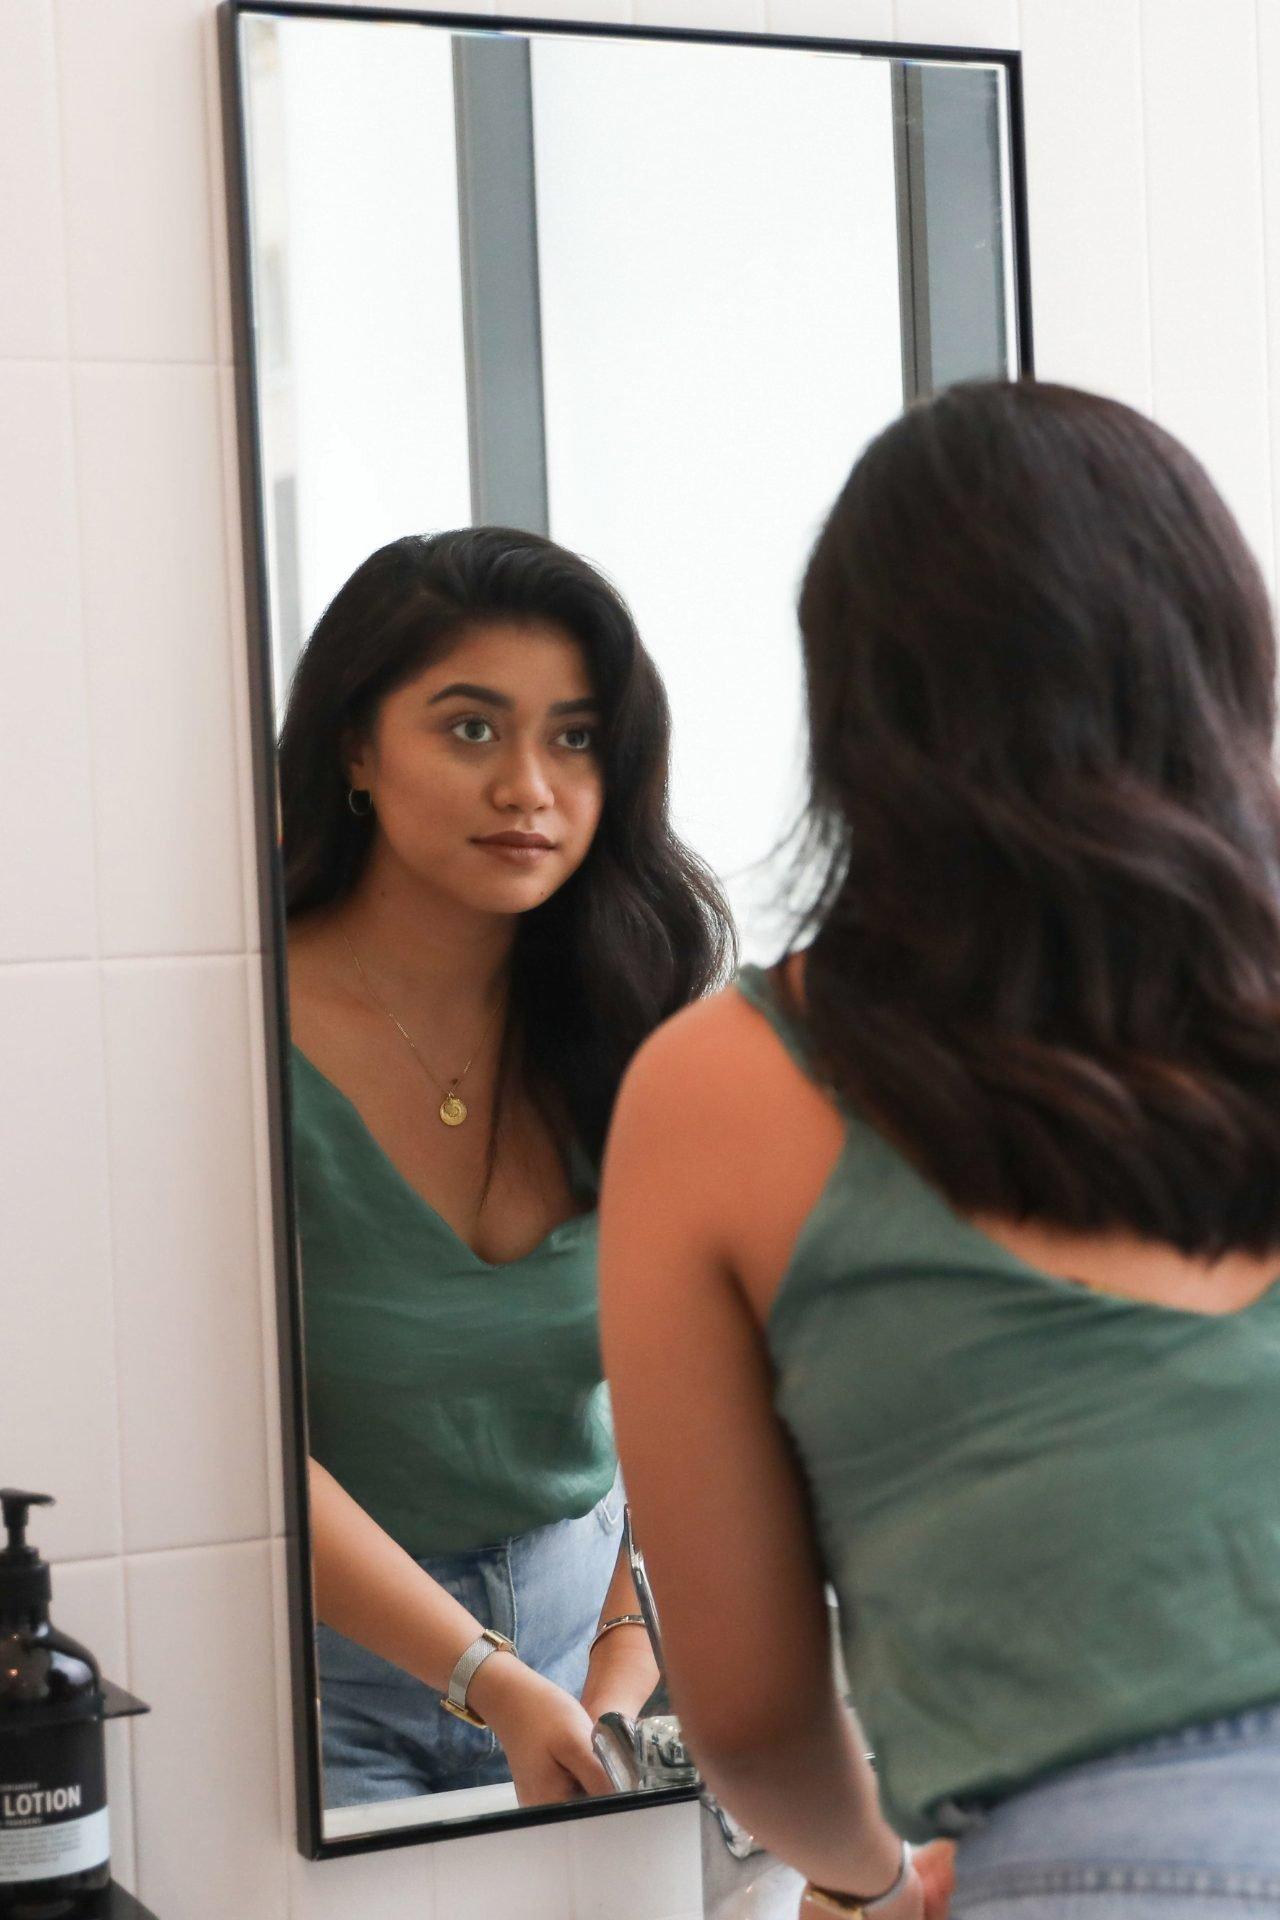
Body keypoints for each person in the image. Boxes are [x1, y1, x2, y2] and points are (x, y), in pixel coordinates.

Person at [600, 381, 1280, 1918]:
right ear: (1225, 658)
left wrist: (877, 1880)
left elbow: (759, 1725)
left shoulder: (725, 1092)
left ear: (859, 712)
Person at [280, 526, 733, 1808]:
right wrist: (477, 1671)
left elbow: (702, 1394)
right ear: (356, 748)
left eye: (574, 736)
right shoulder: (234, 1026)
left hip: (589, 1653)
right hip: (320, 1670)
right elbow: (230, 1442)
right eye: (471, 729)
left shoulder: (642, 1013)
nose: (529, 785)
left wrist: (616, 1672)